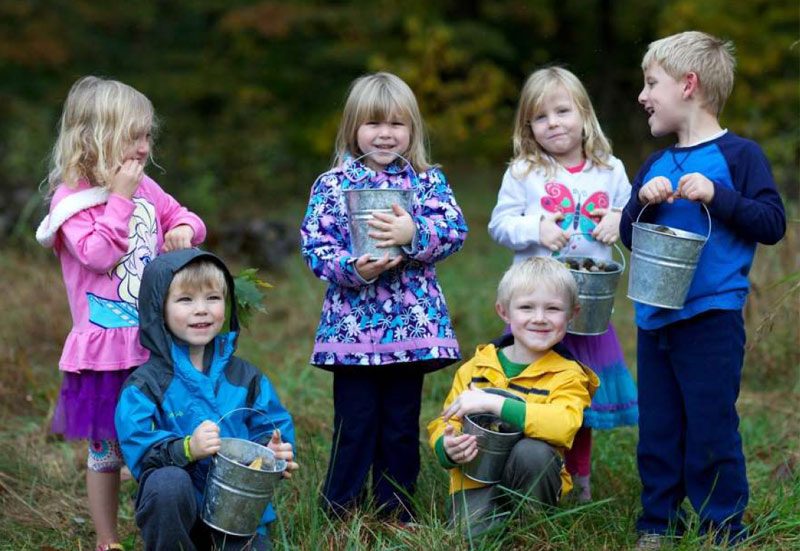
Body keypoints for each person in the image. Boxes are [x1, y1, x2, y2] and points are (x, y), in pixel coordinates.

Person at [620, 31, 786, 549]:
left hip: (712, 317)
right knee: (659, 427)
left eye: (652, 84)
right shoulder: (654, 165)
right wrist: (640, 203)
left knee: (711, 425)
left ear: (688, 85)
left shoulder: (739, 156)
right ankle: (658, 523)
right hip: (655, 317)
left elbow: (772, 222)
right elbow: (630, 234)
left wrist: (718, 195)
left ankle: (722, 527)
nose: (643, 95)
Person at [34, 76, 206, 551]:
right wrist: (121, 199)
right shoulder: (71, 200)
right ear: (96, 137)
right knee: (107, 452)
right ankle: (107, 539)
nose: (145, 147)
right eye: (134, 136)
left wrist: (184, 229)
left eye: (147, 135)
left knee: (169, 435)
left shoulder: (146, 186)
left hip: (155, 343)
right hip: (105, 353)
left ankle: (174, 520)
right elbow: (97, 256)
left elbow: (185, 216)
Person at [300, 72, 468, 521]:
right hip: (352, 328)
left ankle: (396, 510)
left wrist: (414, 233)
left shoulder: (427, 182)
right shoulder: (333, 184)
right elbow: (316, 247)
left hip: (410, 326)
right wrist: (353, 268)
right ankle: (340, 509)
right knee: (354, 423)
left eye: (397, 124)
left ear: (412, 129)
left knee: (399, 422)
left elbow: (454, 231)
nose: (385, 134)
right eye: (373, 123)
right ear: (353, 127)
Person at [488, 66, 638, 502]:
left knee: (578, 399)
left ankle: (579, 482)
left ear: (584, 115)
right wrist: (535, 227)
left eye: (562, 111)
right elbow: (499, 224)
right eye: (540, 117)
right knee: (533, 392)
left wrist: (617, 219)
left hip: (586, 309)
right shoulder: (524, 172)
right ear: (528, 127)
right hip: (537, 307)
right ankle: (526, 476)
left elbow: (634, 214)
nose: (553, 123)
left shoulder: (609, 169)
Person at [115, 249, 298, 550]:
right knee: (167, 484)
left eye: (212, 298)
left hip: (236, 513)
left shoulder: (245, 377)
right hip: (179, 512)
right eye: (185, 300)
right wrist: (188, 448)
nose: (201, 310)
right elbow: (140, 449)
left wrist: (272, 450)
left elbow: (272, 424)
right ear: (158, 309)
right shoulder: (146, 386)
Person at [427, 257, 599, 536]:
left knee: (532, 451)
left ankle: (532, 527)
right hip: (475, 479)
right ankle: (490, 521)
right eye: (526, 307)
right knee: (469, 537)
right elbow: (446, 421)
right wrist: (447, 447)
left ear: (572, 314)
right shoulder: (477, 368)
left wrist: (494, 403)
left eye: (553, 308)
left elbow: (564, 425)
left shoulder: (569, 375)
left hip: (532, 478)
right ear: (504, 311)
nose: (539, 318)